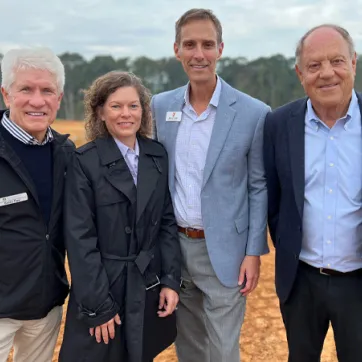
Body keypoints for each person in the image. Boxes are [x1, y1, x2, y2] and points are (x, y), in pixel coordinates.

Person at [151, 8, 270, 362]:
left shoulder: (253, 112)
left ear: (220, 49)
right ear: (177, 50)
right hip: (175, 248)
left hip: (226, 252)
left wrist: (253, 252)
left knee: (221, 349)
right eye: (190, 44)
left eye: (207, 44)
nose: (198, 53)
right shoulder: (160, 106)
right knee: (187, 345)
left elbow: (258, 186)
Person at [59, 71, 181, 362]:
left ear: (143, 111)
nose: (126, 114)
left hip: (145, 283)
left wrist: (170, 280)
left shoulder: (157, 155)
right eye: (116, 106)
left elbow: (166, 222)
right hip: (103, 286)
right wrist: (99, 305)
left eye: (133, 105)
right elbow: (80, 239)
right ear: (100, 112)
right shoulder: (84, 161)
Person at [264, 24, 362, 362]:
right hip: (301, 281)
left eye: (336, 61)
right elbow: (274, 202)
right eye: (314, 65)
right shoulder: (278, 124)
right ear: (299, 72)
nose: (327, 74)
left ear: (353, 62)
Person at [0, 47, 74, 362]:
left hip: (46, 307)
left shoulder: (66, 153)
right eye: (26, 89)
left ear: (58, 98)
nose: (37, 100)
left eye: (47, 90)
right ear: (6, 94)